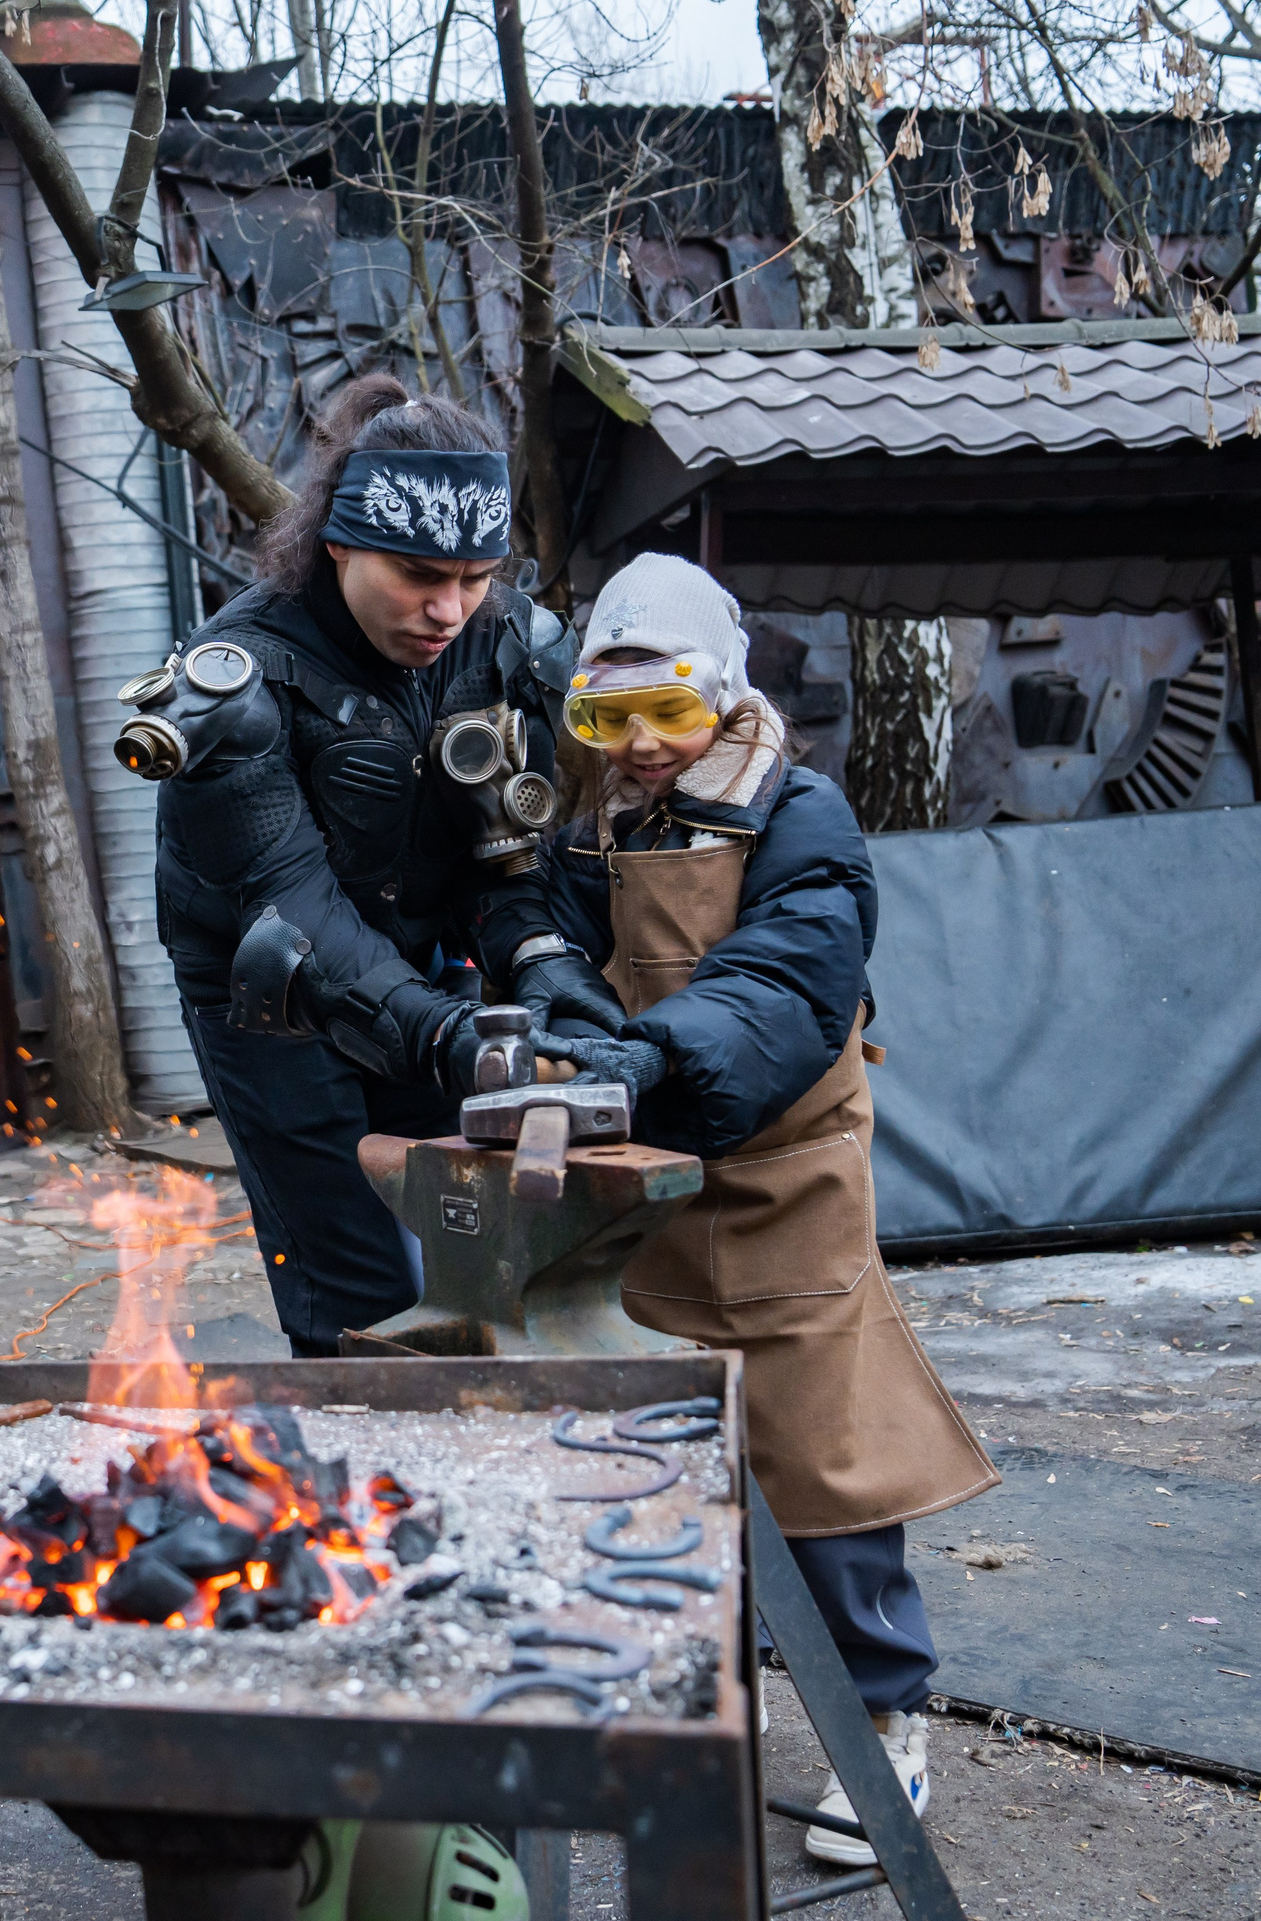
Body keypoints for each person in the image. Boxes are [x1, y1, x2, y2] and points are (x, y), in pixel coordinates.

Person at [533, 551, 999, 1864]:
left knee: (827, 1474)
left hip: (786, 1182)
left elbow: (788, 982)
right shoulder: (600, 827)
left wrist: (656, 1053)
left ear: (723, 696)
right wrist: (570, 1013)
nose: (636, 748)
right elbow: (560, 949)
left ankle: (889, 1730)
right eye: (605, 720)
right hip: (648, 1194)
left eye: (666, 714)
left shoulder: (802, 816)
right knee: (669, 1465)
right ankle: (701, 1712)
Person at [139, 378, 625, 1355]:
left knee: (485, 1244)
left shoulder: (497, 644)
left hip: (420, 970)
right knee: (350, 1277)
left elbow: (504, 855)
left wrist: (544, 965)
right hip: (267, 993)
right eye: (418, 576)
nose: (448, 608)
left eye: (475, 575)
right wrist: (447, 1035)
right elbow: (296, 911)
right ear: (338, 542)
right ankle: (359, 1490)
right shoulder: (237, 676)